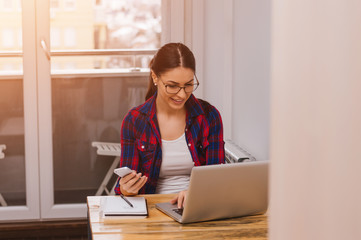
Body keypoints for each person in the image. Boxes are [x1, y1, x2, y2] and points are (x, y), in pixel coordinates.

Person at [114, 42, 225, 208]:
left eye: (188, 85)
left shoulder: (209, 116)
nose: (181, 94)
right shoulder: (135, 121)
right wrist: (127, 189)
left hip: (198, 205)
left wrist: (195, 193)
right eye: (172, 86)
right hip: (152, 208)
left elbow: (216, 178)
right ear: (155, 77)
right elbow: (127, 183)